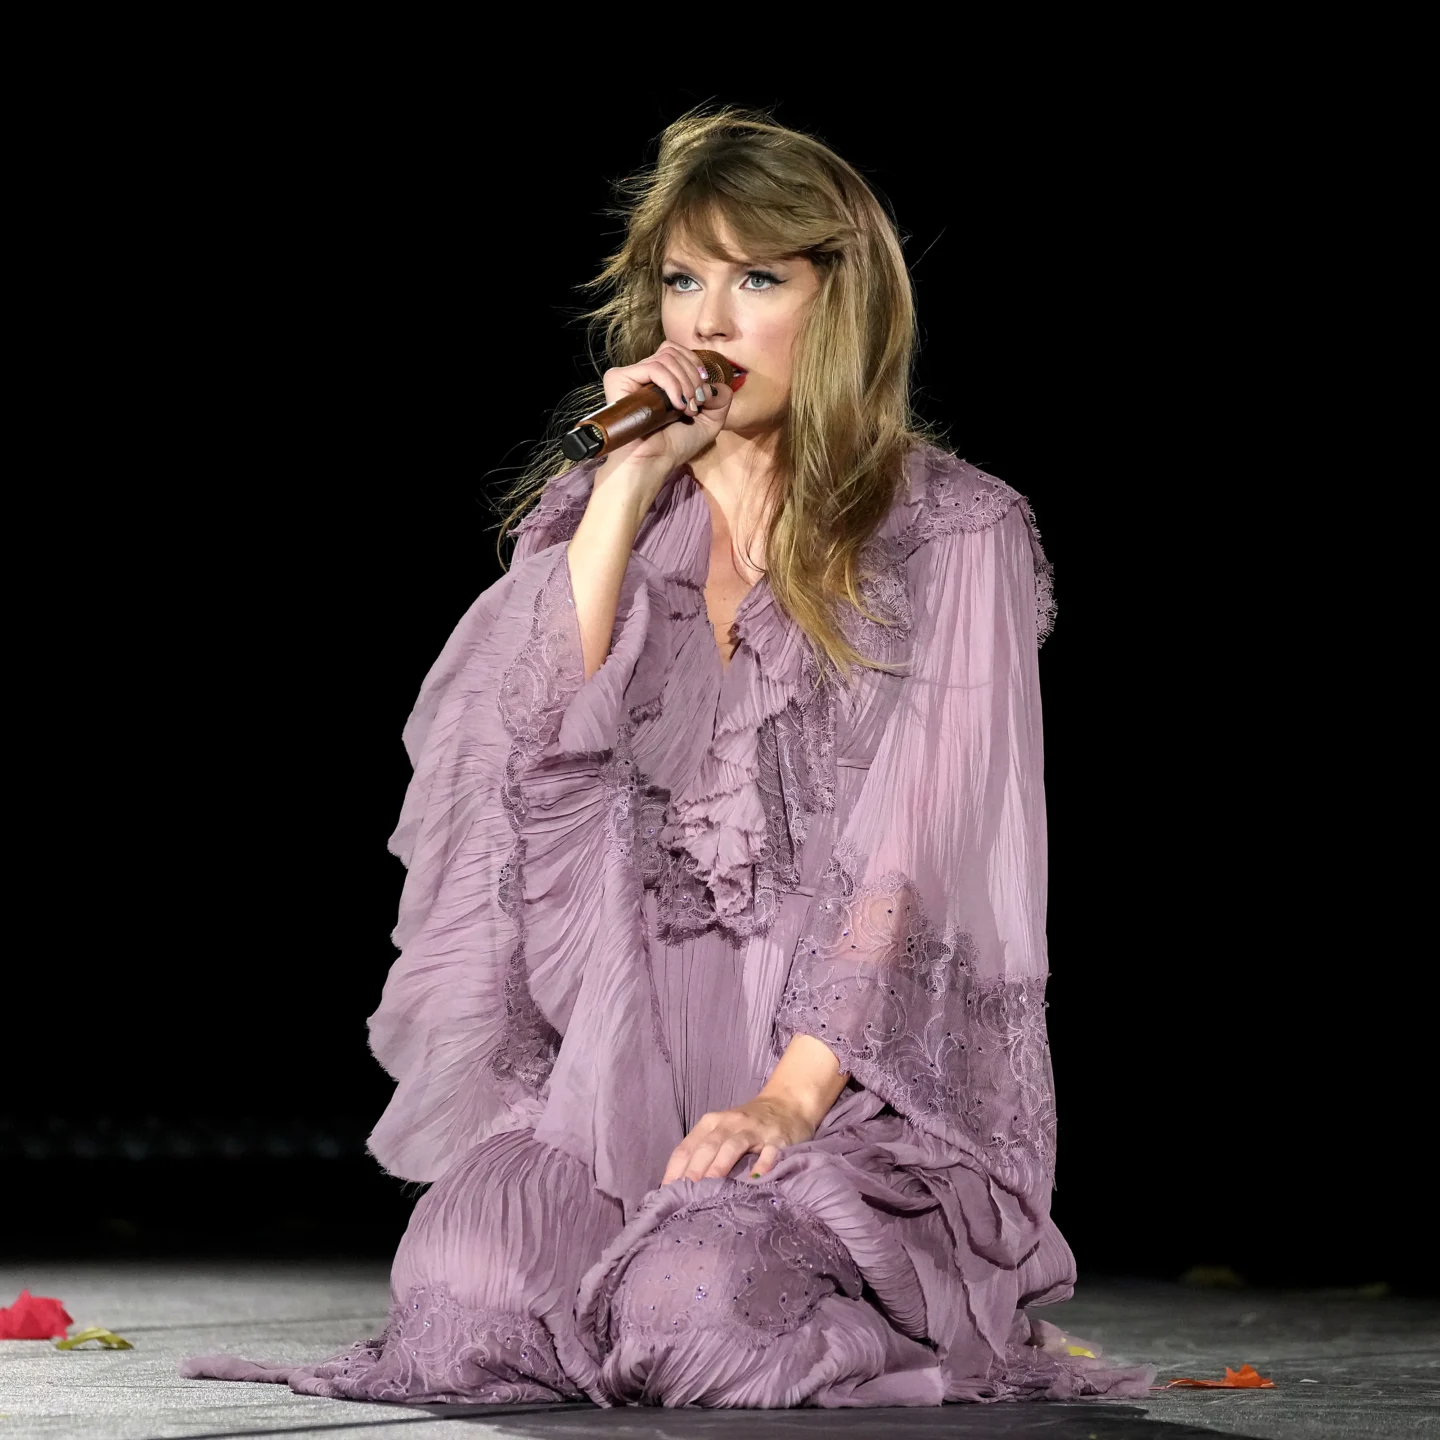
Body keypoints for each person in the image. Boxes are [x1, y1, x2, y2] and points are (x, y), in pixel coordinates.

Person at [182, 107, 1156, 1408]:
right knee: (468, 1289)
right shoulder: (607, 525)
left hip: (852, 1104)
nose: (709, 319)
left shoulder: (955, 533)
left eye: (757, 278)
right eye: (685, 280)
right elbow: (522, 785)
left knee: (694, 1308)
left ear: (840, 297)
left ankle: (892, 1312)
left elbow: (911, 871)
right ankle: (652, 1258)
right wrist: (630, 487)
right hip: (622, 1082)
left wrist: (787, 1109)